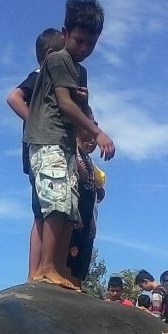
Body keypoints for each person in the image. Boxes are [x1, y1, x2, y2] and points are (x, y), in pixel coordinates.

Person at [23, 0, 115, 290]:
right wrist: (98, 133)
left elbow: (78, 111)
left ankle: (59, 265)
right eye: (79, 40)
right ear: (65, 34)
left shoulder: (80, 71)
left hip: (64, 145)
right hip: (47, 140)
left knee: (70, 207)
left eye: (91, 43)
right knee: (55, 202)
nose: (84, 48)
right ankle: (45, 267)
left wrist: (87, 109)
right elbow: (64, 105)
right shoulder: (58, 59)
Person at [6, 28, 66, 280]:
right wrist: (36, 122)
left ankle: (41, 270)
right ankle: (37, 271)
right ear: (51, 55)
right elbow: (14, 97)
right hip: (41, 147)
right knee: (45, 210)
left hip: (45, 147)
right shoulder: (42, 75)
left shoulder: (53, 80)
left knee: (43, 210)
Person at [68, 123, 106, 288]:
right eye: (89, 137)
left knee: (82, 260)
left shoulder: (89, 161)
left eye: (95, 139)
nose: (93, 142)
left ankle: (77, 285)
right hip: (75, 215)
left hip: (89, 217)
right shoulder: (72, 153)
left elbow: (98, 193)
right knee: (71, 256)